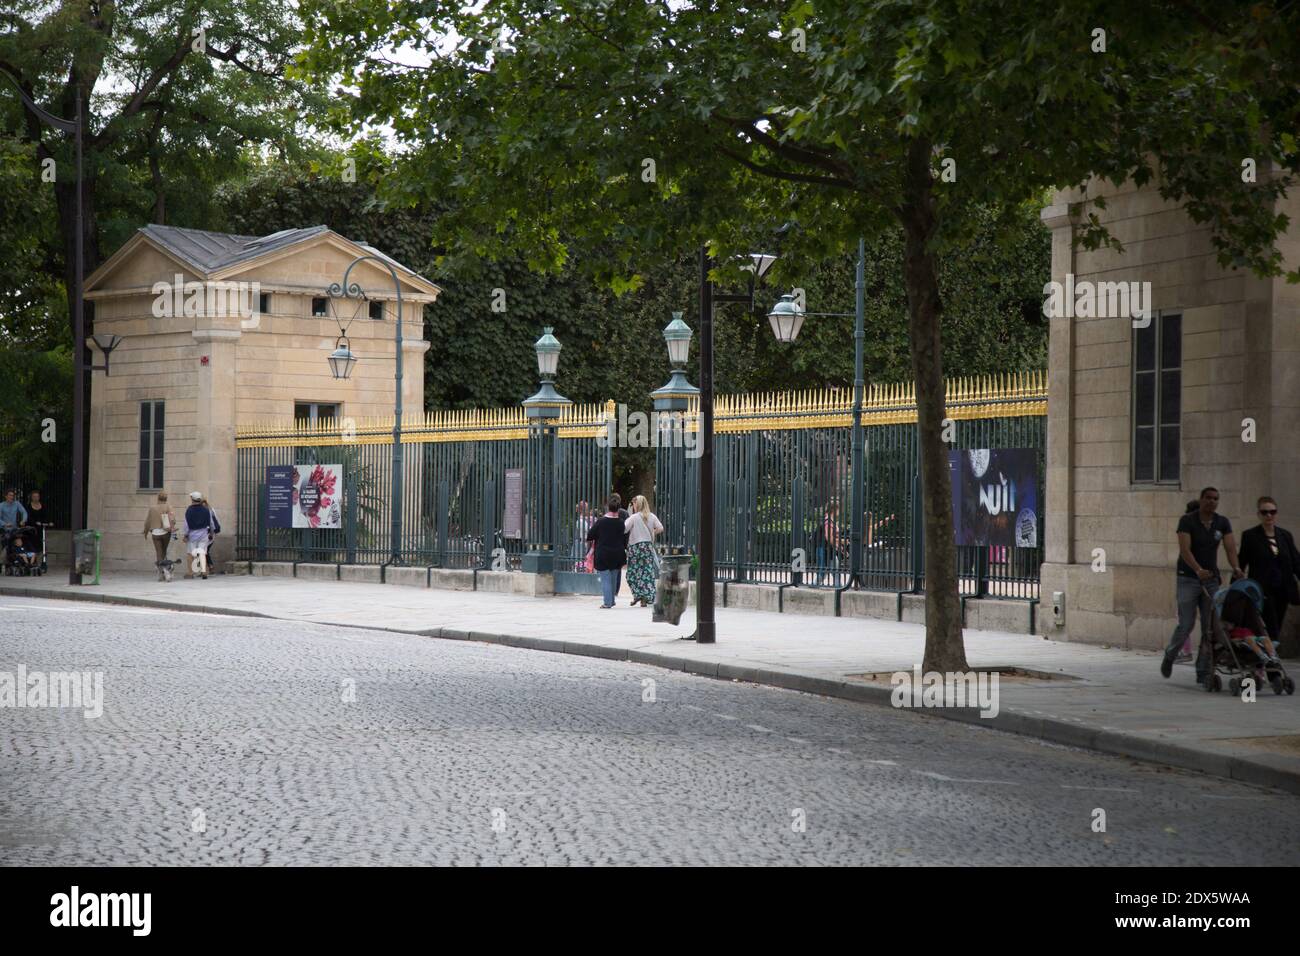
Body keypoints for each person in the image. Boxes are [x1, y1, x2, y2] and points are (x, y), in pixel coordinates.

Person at [1161, 487, 1244, 684]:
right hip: (1188, 578)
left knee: (1210, 626)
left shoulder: (1222, 522)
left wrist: (1236, 568)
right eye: (1208, 498)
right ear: (1201, 499)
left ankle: (1203, 670)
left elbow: (1230, 547)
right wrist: (1197, 569)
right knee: (1187, 623)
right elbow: (1185, 550)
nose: (1212, 502)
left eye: (1216, 499)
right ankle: (1170, 655)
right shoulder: (1188, 521)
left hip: (1211, 580)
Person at [1238, 496, 1300, 646]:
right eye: (1265, 512)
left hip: (1283, 589)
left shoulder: (1285, 535)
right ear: (1259, 514)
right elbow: (1241, 563)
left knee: (1276, 625)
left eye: (1272, 512)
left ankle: (1266, 660)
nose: (1269, 516)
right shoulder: (1250, 536)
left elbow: (1296, 561)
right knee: (1270, 626)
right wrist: (1237, 589)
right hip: (1263, 590)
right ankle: (1271, 665)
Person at [586, 494, 628, 609]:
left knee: (605, 579)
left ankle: (607, 602)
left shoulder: (601, 521)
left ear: (608, 508)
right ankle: (612, 599)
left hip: (603, 553)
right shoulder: (621, 522)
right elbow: (625, 538)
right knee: (613, 578)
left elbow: (590, 535)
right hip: (618, 553)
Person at [623, 494, 664, 607]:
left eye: (634, 504)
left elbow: (624, 529)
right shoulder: (651, 516)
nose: (633, 506)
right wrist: (652, 532)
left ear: (637, 504)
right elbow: (661, 527)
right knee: (646, 572)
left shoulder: (633, 517)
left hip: (635, 547)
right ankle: (645, 597)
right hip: (647, 547)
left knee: (633, 573)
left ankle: (638, 594)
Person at [183, 491, 218, 579]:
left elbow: (186, 524)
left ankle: (190, 573)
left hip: (192, 535)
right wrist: (211, 532)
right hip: (204, 534)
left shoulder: (189, 510)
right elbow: (211, 523)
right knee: (202, 553)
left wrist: (186, 535)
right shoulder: (206, 510)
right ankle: (204, 572)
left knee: (190, 554)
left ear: (192, 499)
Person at [143, 492, 177, 581]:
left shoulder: (152, 508)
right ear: (166, 499)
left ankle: (160, 574)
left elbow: (147, 522)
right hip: (165, 532)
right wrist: (172, 527)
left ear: (158, 498)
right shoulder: (168, 507)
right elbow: (172, 519)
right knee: (164, 551)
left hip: (155, 532)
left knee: (158, 553)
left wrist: (145, 532)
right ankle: (166, 572)